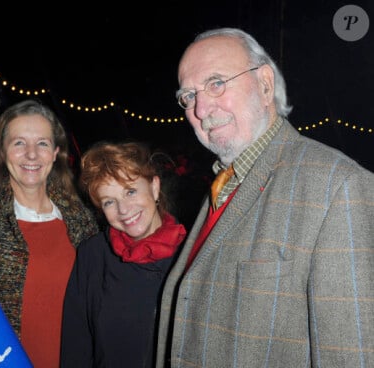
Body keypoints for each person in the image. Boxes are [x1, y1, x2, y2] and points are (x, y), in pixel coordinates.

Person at [155, 27, 374, 367]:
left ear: (265, 83)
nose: (200, 110)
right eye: (188, 95)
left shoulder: (338, 187)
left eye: (216, 83)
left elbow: (352, 356)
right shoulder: (223, 183)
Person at [0, 98, 99, 368]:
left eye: (42, 143)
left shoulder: (82, 220)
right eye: (19, 143)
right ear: (2, 151)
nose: (32, 155)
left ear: (55, 152)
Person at [60, 141, 187, 367]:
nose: (124, 209)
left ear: (154, 187)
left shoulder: (192, 254)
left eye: (130, 191)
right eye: (109, 201)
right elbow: (76, 343)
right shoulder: (93, 255)